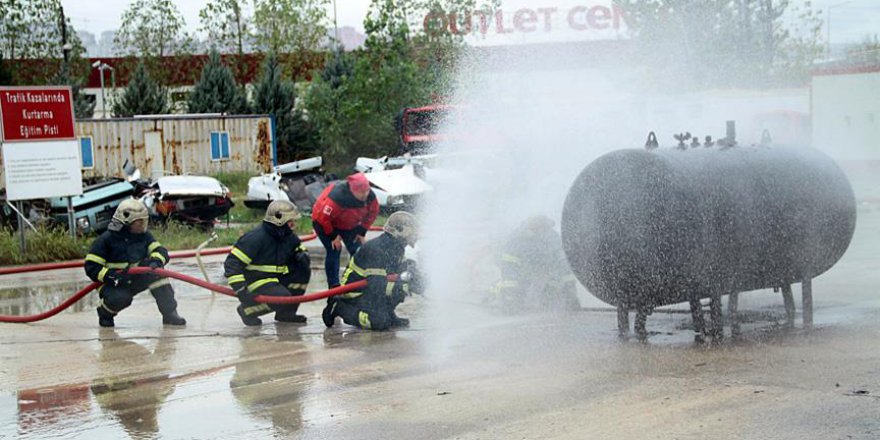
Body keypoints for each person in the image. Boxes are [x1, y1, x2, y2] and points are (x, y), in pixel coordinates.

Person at [84, 199, 186, 327]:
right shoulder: (105, 240)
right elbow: (91, 267)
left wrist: (156, 260)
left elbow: (160, 250)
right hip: (114, 283)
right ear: (126, 222)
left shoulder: (144, 236)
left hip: (136, 277)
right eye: (139, 222)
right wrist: (112, 276)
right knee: (121, 298)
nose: (143, 225)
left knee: (159, 277)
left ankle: (170, 314)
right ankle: (105, 313)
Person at [322, 211, 420, 330]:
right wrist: (405, 286)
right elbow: (376, 286)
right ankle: (340, 307)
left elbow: (399, 267)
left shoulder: (395, 247)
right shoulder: (377, 249)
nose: (414, 235)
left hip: (370, 289)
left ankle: (388, 313)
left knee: (401, 283)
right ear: (400, 230)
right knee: (379, 323)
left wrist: (413, 271)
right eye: (412, 232)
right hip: (356, 293)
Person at [225, 200, 311, 326]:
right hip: (256, 280)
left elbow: (298, 247)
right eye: (290, 221)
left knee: (303, 272)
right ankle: (247, 311)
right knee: (282, 298)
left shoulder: (286, 235)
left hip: (275, 279)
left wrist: (303, 256)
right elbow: (232, 263)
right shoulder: (256, 238)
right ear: (279, 221)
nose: (294, 225)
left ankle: (286, 313)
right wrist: (240, 289)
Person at [489, 215, 579, 314]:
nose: (541, 232)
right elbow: (509, 269)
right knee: (516, 293)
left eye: (543, 228)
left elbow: (563, 266)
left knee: (551, 292)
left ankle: (546, 296)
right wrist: (510, 296)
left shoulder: (553, 237)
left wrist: (570, 294)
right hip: (522, 272)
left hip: (544, 271)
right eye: (538, 229)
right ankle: (490, 296)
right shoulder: (518, 238)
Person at [311, 172, 379, 288]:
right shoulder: (337, 196)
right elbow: (323, 218)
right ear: (352, 190)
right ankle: (334, 286)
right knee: (334, 250)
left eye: (366, 191)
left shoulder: (370, 196)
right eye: (361, 192)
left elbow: (373, 213)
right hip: (324, 223)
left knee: (358, 250)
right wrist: (333, 236)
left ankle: (356, 280)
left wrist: (362, 231)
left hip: (348, 224)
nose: (365, 195)